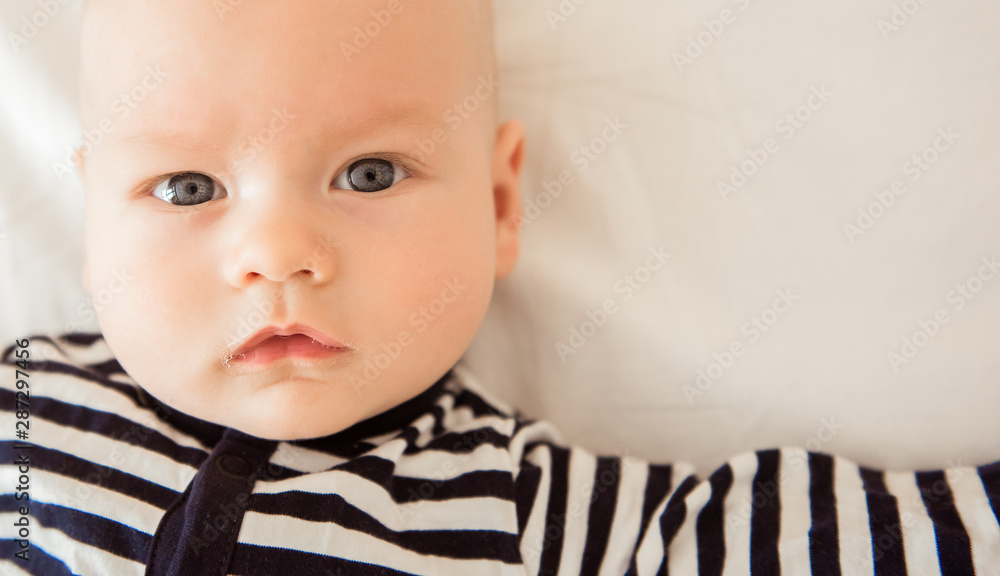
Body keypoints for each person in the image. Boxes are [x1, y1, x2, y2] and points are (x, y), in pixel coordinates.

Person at [2, 0, 998, 574]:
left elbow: (819, 540)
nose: (278, 256)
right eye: (185, 188)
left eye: (370, 174)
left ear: (497, 201)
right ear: (94, 219)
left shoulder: (524, 508)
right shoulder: (26, 413)